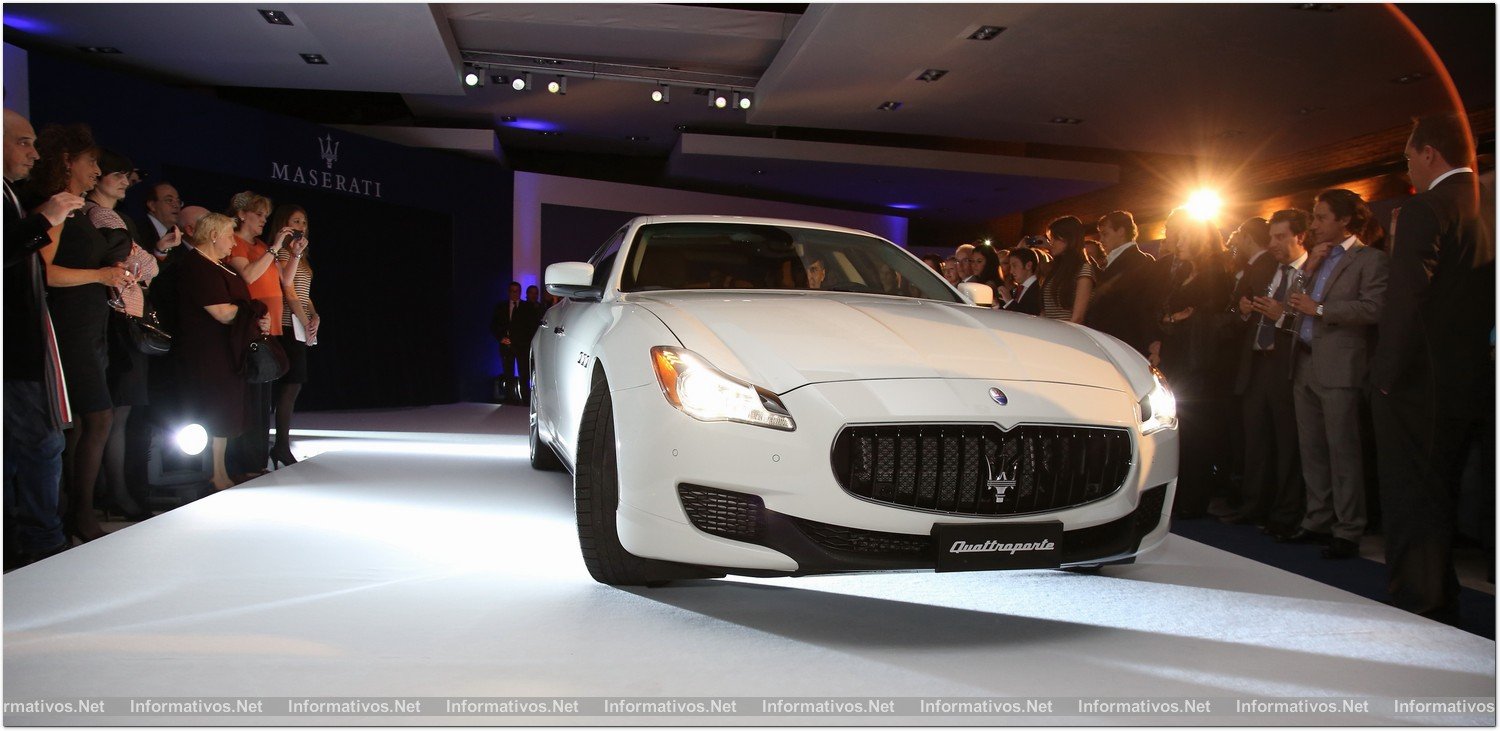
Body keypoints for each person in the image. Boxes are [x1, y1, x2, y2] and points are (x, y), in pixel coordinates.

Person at [1371, 113, 1494, 620]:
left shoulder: (1428, 207)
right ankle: (1441, 593)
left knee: (1412, 493)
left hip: (1420, 382)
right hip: (1472, 376)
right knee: (1442, 489)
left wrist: (1384, 375)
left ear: (1429, 154)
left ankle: (1420, 601)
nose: (1408, 171)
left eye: (1407, 159)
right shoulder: (1486, 209)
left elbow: (1406, 300)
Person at [26, 123, 132, 543]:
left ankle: (74, 512)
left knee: (90, 422)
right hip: (67, 327)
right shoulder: (53, 208)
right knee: (95, 417)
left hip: (90, 324)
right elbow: (46, 273)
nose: (97, 168)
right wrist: (100, 273)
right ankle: (78, 514)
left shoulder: (77, 209)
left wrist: (108, 275)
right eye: (91, 161)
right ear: (68, 161)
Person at [1282, 188, 1389, 559]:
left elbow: (1374, 308)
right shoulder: (1316, 256)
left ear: (1345, 220)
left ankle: (1348, 528)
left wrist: (1322, 309)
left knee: (1342, 449)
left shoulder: (1369, 259)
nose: (1314, 224)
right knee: (1311, 449)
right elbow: (1292, 305)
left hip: (1341, 364)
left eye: (1321, 217)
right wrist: (1308, 270)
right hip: (1306, 359)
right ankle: (1317, 519)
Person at [3, 108, 84, 567]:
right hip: (13, 349)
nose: (33, 153)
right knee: (41, 442)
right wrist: (45, 218)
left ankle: (25, 537)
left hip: (20, 345)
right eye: (23, 142)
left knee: (23, 446)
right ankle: (41, 540)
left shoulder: (10, 194)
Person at [86, 148, 158, 521]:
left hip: (122, 316)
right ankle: (115, 493)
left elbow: (144, 264)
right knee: (114, 414)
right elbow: (137, 263)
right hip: (115, 319)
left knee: (119, 414)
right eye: (115, 173)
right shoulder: (97, 215)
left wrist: (145, 259)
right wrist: (143, 260)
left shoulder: (113, 216)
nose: (123, 180)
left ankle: (115, 491)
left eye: (125, 174)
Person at [1230, 209, 1311, 535]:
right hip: (1257, 363)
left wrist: (1281, 316)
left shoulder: (1308, 272)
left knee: (1286, 443)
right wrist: (1245, 310)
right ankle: (1253, 507)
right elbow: (1241, 308)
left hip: (1287, 366)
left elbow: (1311, 321)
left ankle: (1285, 512)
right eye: (1272, 237)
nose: (1274, 243)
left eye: (1281, 237)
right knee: (1256, 439)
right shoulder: (1268, 270)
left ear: (1300, 237)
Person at [174, 213, 268, 490]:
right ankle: (214, 472)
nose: (233, 243)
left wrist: (255, 316)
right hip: (206, 351)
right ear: (213, 235)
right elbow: (221, 312)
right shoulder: (196, 266)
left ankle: (222, 469)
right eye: (229, 236)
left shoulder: (219, 266)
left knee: (225, 409)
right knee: (215, 409)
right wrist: (252, 314)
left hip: (226, 350)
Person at [1156, 216, 1234, 518]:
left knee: (1197, 430)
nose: (1179, 242)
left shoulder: (1216, 272)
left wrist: (1181, 319)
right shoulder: (1188, 272)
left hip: (1200, 362)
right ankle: (1184, 494)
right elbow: (1169, 312)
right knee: (1183, 427)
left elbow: (1212, 320)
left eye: (1186, 237)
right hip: (1178, 357)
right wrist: (1174, 320)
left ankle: (1194, 499)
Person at [225, 191, 287, 477]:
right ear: (241, 214)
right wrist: (274, 249)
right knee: (248, 397)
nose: (264, 220)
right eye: (258, 214)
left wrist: (290, 253)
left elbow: (281, 281)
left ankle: (258, 459)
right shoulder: (235, 243)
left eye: (265, 215)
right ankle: (244, 463)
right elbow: (247, 276)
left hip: (268, 326)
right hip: (248, 326)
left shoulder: (262, 245)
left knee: (263, 398)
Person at [269, 204, 317, 468]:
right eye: (296, 221)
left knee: (294, 385)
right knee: (289, 385)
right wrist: (304, 318)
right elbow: (288, 291)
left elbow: (304, 293)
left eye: (304, 222)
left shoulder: (302, 257)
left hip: (299, 323)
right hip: (287, 325)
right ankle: (281, 446)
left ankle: (282, 445)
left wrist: (314, 315)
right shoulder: (283, 256)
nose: (301, 226)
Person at [1085, 210, 1159, 356]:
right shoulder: (1114, 260)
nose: (1101, 240)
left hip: (1124, 341)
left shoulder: (1140, 261)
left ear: (1121, 231)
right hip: (1110, 339)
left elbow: (1143, 306)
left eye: (1105, 234)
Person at [1040, 216, 1096, 323]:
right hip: (1048, 332)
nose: (1051, 243)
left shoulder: (1084, 269)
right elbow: (1045, 311)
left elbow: (1077, 318)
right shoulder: (1055, 269)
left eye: (1055, 238)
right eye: (1051, 238)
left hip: (1067, 335)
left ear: (1069, 239)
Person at [490, 281, 540, 403]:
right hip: (506, 346)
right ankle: (509, 400)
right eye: (512, 291)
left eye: (517, 291)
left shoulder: (527, 307)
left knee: (524, 375)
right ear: (508, 292)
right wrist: (501, 338)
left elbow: (532, 327)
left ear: (520, 292)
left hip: (522, 347)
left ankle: (526, 401)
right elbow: (494, 325)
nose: (514, 293)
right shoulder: (501, 307)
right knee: (508, 374)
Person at [1002, 247, 1042, 315]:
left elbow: (1028, 316)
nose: (1011, 271)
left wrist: (1009, 301)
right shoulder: (1018, 289)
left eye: (1014, 266)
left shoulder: (1039, 289)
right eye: (1010, 266)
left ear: (1028, 265)